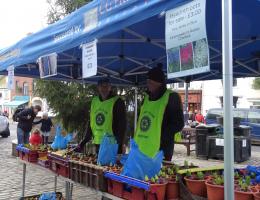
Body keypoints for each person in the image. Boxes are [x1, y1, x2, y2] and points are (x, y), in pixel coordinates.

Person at [134, 64, 184, 161]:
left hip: (161, 150)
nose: (148, 83)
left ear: (159, 82)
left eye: (150, 81)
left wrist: (161, 137)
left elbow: (178, 123)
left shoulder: (172, 97)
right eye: (147, 81)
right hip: (142, 148)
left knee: (158, 176)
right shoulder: (147, 97)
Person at [77, 78, 127, 154]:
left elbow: (122, 125)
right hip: (98, 143)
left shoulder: (117, 102)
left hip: (112, 145)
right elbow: (91, 122)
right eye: (102, 86)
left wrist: (119, 145)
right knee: (99, 165)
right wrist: (83, 142)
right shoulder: (94, 101)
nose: (104, 89)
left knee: (111, 166)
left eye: (106, 86)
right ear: (98, 87)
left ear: (110, 87)